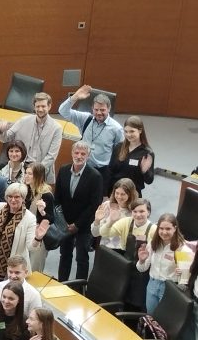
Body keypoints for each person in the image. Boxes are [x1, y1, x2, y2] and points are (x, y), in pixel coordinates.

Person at [54, 141, 104, 281]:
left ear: (88, 156)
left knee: (81, 258)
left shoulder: (95, 176)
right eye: (76, 153)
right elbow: (58, 198)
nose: (79, 156)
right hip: (65, 224)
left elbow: (94, 205)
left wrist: (77, 225)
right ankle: (61, 282)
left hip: (84, 225)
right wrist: (63, 222)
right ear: (72, 153)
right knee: (65, 255)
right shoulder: (63, 170)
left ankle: (79, 288)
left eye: (83, 154)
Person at [58, 86, 124, 184]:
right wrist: (75, 97)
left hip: (102, 171)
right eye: (96, 109)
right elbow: (62, 111)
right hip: (82, 167)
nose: (99, 113)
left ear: (109, 109)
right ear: (92, 109)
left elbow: (121, 151)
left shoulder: (116, 128)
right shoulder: (85, 119)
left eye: (102, 110)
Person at [0, 183, 37, 283]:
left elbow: (31, 247)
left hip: (12, 268)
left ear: (23, 198)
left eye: (17, 197)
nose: (13, 200)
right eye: (10, 196)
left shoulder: (30, 218)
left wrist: (38, 238)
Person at [0, 92, 63, 181]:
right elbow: (5, 138)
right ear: (34, 107)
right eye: (37, 106)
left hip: (40, 170)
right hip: (21, 167)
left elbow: (51, 156)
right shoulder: (24, 120)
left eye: (43, 106)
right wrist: (2, 131)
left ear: (49, 106)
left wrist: (35, 171)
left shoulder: (56, 128)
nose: (40, 109)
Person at [136, 213, 193, 313]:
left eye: (168, 229)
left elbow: (184, 284)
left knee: (165, 320)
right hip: (152, 284)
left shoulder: (182, 249)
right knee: (151, 317)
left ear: (175, 228)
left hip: (169, 287)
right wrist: (141, 260)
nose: (164, 232)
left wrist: (180, 275)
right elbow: (142, 269)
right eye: (161, 228)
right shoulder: (153, 244)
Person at [107, 116, 155, 196]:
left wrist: (144, 171)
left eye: (132, 131)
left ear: (140, 130)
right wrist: (107, 194)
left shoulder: (147, 153)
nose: (128, 134)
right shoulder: (118, 147)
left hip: (133, 195)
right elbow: (110, 171)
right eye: (126, 131)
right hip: (116, 193)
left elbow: (149, 181)